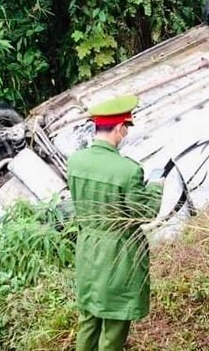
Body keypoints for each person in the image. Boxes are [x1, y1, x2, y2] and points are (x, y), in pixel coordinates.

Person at [67, 94, 164, 351]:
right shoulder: (127, 170)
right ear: (120, 128)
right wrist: (156, 186)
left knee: (88, 319)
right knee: (114, 323)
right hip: (118, 254)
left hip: (87, 250)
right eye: (126, 129)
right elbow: (144, 212)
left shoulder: (75, 161)